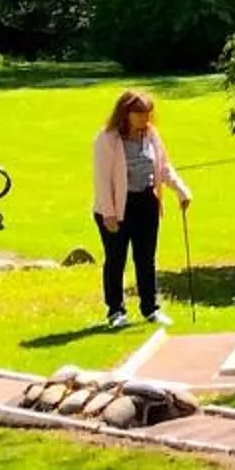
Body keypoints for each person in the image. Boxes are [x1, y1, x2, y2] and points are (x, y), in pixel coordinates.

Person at [90, 88, 191, 331]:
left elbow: (163, 167)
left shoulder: (151, 135)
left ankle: (150, 308)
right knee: (116, 259)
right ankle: (116, 310)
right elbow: (102, 179)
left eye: (148, 114)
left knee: (146, 258)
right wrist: (109, 213)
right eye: (140, 114)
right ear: (126, 114)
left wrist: (181, 190)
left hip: (146, 202)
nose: (145, 119)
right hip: (117, 206)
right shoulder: (108, 138)